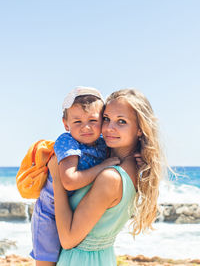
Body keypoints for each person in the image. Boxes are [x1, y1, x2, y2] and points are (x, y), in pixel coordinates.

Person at [48, 88, 165, 266]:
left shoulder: (110, 177)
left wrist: (57, 177)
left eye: (121, 121)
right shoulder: (134, 167)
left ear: (140, 129)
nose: (109, 128)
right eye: (106, 119)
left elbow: (68, 239)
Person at [30, 86, 121, 266]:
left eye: (93, 120)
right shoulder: (67, 141)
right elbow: (70, 182)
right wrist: (103, 166)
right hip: (49, 214)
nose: (85, 127)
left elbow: (119, 159)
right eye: (77, 121)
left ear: (102, 122)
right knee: (47, 263)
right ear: (66, 124)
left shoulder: (103, 144)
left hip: (71, 212)